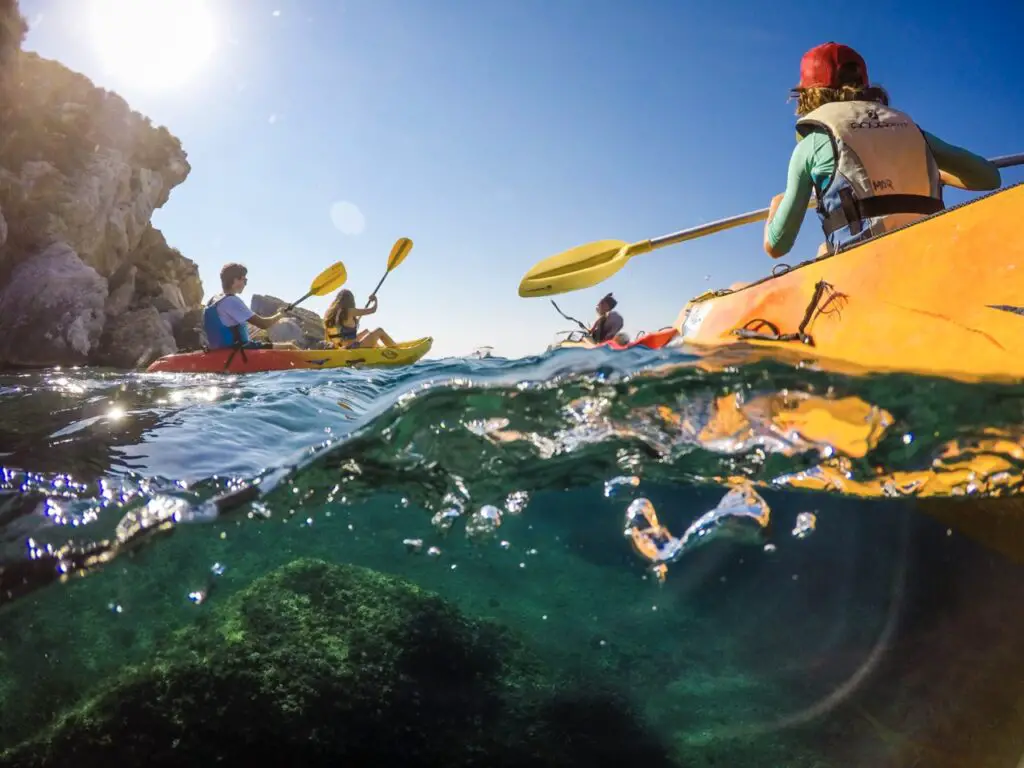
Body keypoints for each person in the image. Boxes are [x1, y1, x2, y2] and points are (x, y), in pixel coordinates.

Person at [764, 42, 1001, 260]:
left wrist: (776, 206)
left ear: (808, 95)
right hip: (932, 255)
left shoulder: (812, 144)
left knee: (819, 253)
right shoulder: (913, 131)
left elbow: (778, 245)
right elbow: (989, 178)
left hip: (866, 268)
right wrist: (939, 174)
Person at [203, 262, 298, 351]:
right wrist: (280, 315)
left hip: (217, 350)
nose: (245, 284)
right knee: (290, 346)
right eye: (245, 280)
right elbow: (263, 324)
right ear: (236, 280)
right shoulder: (232, 301)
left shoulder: (213, 300)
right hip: (238, 351)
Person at [323, 288, 396, 349]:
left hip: (342, 347)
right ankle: (396, 350)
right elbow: (373, 310)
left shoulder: (330, 313)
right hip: (353, 347)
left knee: (366, 331)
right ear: (350, 300)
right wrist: (375, 300)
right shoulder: (349, 311)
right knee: (379, 330)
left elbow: (329, 336)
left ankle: (378, 350)